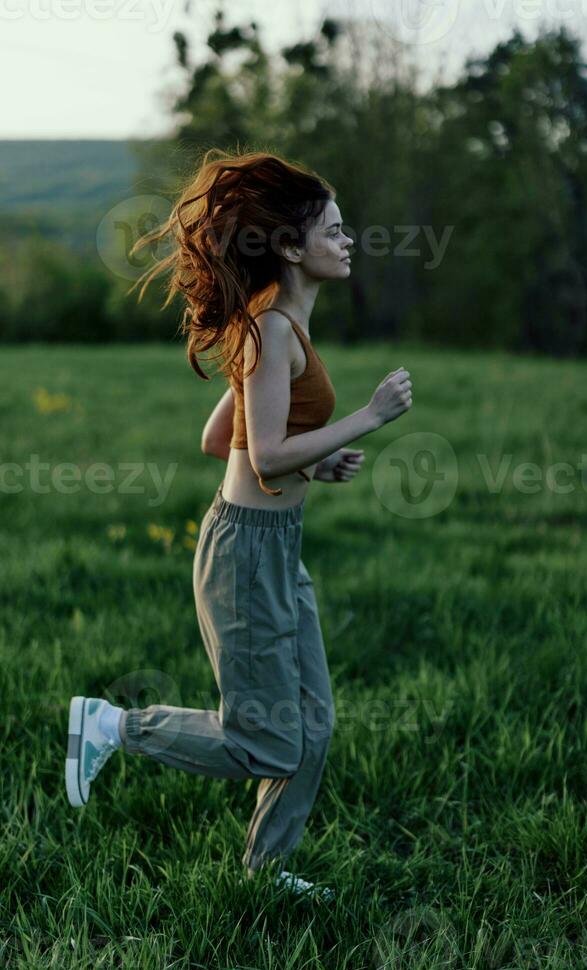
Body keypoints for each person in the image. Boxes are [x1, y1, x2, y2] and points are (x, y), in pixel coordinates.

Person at [65, 150, 412, 899]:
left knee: (312, 727)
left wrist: (315, 467)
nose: (349, 242)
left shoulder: (277, 325)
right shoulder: (271, 331)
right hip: (244, 556)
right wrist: (368, 418)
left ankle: (264, 872)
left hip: (276, 549)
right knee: (264, 740)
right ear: (292, 248)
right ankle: (112, 727)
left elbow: (225, 441)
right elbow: (264, 459)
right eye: (336, 230)